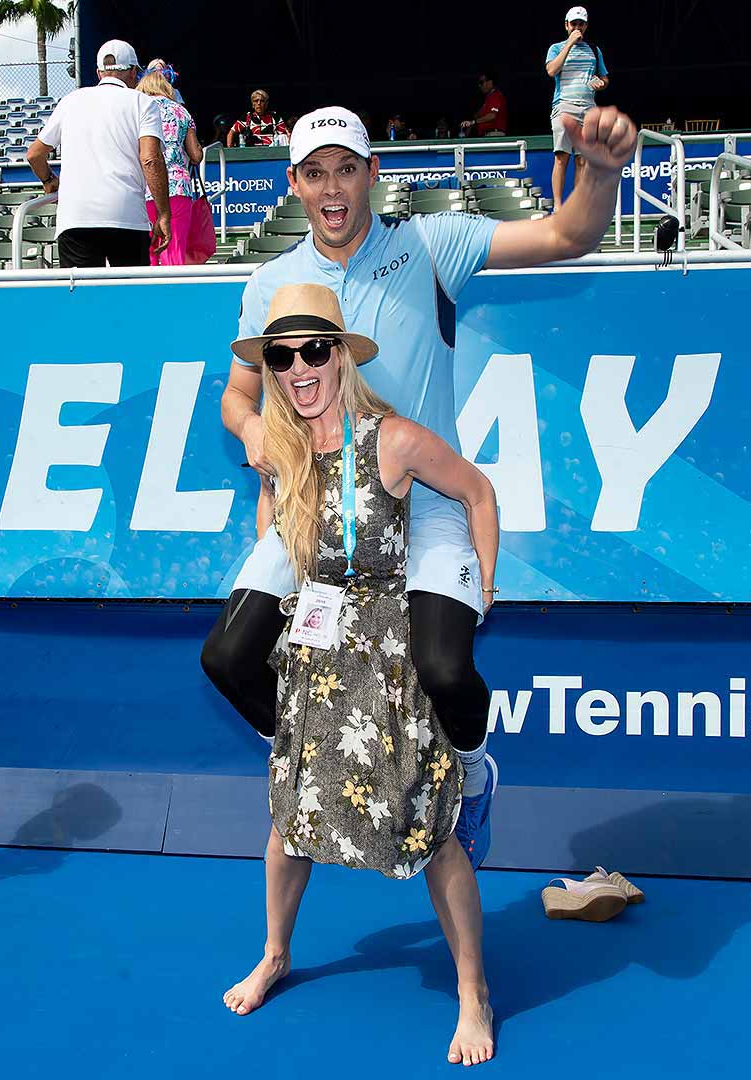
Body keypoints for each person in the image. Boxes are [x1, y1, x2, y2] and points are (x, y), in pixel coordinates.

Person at [201, 104, 638, 881]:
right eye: (314, 172)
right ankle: (325, 757)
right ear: (294, 184)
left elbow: (568, 235)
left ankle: (468, 772)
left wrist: (600, 175)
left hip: (425, 506)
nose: (331, 187)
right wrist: (248, 430)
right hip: (314, 512)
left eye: (345, 168)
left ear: (372, 175)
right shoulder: (271, 281)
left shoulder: (431, 244)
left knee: (444, 673)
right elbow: (238, 397)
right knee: (229, 658)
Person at [216, 284, 500, 1067]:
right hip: (318, 657)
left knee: (431, 832)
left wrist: (487, 586)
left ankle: (472, 992)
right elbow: (279, 547)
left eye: (314, 351)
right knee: (290, 815)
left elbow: (478, 490)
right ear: (270, 370)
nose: (300, 367)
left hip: (388, 656)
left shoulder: (395, 440)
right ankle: (275, 954)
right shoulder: (286, 454)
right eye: (282, 356)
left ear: (340, 356)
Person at [26, 39, 171, 268]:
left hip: (76, 217)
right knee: (130, 298)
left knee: (82, 302)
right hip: (127, 216)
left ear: (99, 72)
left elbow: (34, 154)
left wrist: (49, 180)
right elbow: (150, 159)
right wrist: (163, 214)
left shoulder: (70, 101)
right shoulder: (142, 102)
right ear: (134, 72)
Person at [139, 70, 215, 266]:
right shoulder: (181, 111)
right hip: (179, 187)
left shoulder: (138, 109)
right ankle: (175, 292)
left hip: (145, 188)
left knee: (148, 250)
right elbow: (196, 156)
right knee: (174, 248)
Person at [545, 7, 611, 208]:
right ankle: (558, 207)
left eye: (581, 24)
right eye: (573, 23)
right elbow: (551, 70)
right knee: (561, 158)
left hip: (588, 108)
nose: (577, 27)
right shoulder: (556, 48)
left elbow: (604, 78)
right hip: (564, 106)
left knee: (582, 161)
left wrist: (601, 83)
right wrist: (570, 44)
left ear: (586, 25)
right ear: (566, 25)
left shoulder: (594, 50)